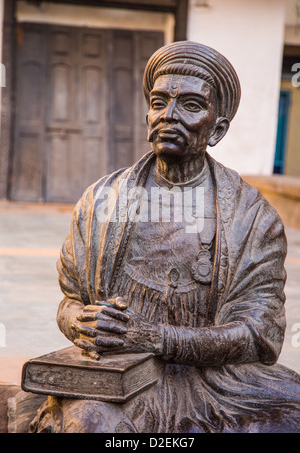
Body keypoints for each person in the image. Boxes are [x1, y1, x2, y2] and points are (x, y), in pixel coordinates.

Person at [30, 41, 300, 433]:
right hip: (119, 377)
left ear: (218, 128)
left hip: (218, 382)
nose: (168, 115)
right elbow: (71, 300)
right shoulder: (101, 201)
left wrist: (158, 338)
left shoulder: (253, 218)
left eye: (191, 106)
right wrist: (79, 323)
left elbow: (261, 334)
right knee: (90, 424)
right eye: (159, 102)